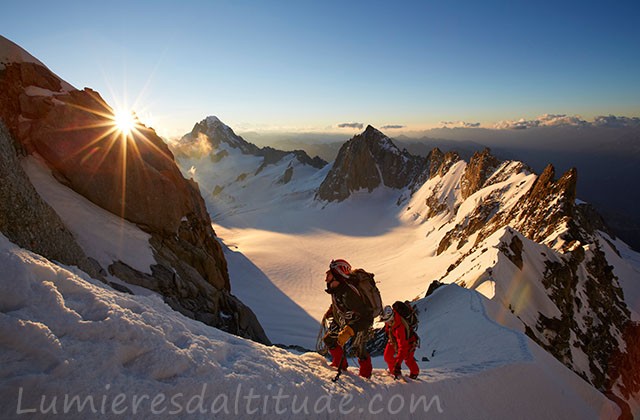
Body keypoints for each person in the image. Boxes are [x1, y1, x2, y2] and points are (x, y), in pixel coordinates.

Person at [322, 259, 373, 378]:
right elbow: (339, 304)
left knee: (361, 351)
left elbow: (367, 317)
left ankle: (365, 377)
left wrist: (350, 330)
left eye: (329, 275)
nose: (326, 279)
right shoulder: (338, 291)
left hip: (359, 324)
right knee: (330, 340)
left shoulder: (349, 294)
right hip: (348, 322)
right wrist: (332, 311)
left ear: (337, 276)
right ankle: (340, 365)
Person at [381, 304, 420, 379]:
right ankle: (394, 373)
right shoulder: (392, 319)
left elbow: (403, 347)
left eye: (387, 321)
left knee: (408, 359)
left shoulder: (400, 328)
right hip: (394, 339)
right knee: (388, 356)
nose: (386, 323)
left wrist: (398, 364)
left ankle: (414, 373)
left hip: (409, 342)